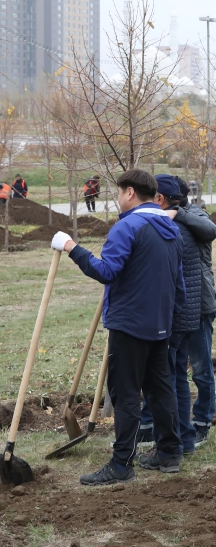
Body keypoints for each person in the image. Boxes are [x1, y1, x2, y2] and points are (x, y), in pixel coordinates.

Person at [52, 169, 184, 485]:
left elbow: (107, 271)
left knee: (125, 394)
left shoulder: (128, 226)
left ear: (129, 193)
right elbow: (176, 283)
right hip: (159, 325)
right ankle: (169, 452)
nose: (117, 199)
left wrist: (72, 247)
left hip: (130, 325)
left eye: (118, 193)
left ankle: (121, 464)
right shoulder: (171, 227)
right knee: (159, 389)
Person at [137, 175, 211, 456]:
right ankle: (184, 439)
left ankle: (171, 443)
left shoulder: (173, 228)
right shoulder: (178, 226)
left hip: (173, 316)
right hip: (184, 314)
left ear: (160, 199)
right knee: (177, 376)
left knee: (166, 379)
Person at [172, 178, 216, 446]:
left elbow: (210, 230)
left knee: (201, 368)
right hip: (177, 306)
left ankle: (202, 421)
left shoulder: (195, 214)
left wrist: (178, 213)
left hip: (200, 304)